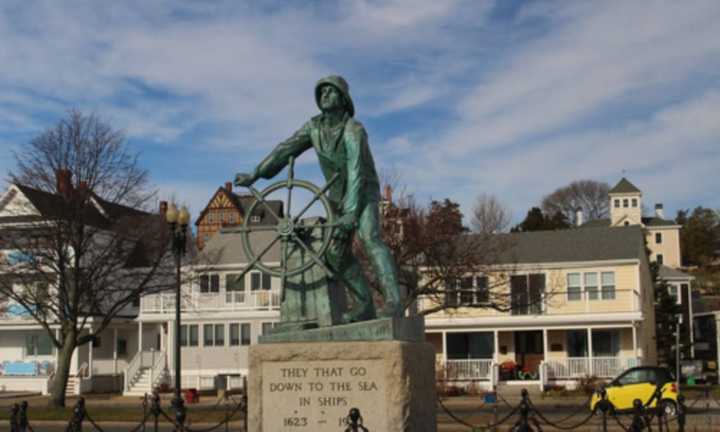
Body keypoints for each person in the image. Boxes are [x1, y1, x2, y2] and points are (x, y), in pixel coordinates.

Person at [234, 75, 402, 322]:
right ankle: (364, 305)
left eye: (331, 91)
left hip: (363, 191)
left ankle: (394, 302)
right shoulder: (314, 127)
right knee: (335, 253)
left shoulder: (353, 130)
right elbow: (285, 149)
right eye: (321, 91)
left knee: (370, 238)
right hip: (337, 195)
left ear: (343, 99)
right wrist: (257, 173)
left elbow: (355, 170)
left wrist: (350, 213)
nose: (324, 95)